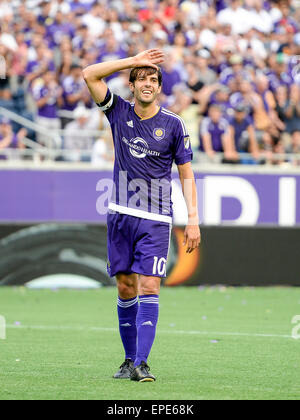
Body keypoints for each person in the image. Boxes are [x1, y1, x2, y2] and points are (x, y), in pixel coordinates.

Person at [83, 49, 201, 382]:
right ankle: (128, 359)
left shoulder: (174, 124)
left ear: (159, 88)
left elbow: (186, 173)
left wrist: (193, 219)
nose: (147, 84)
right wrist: (132, 59)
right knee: (125, 287)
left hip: (156, 218)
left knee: (150, 284)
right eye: (141, 79)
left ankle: (142, 363)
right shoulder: (117, 111)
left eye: (153, 79)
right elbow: (90, 73)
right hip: (120, 214)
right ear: (132, 85)